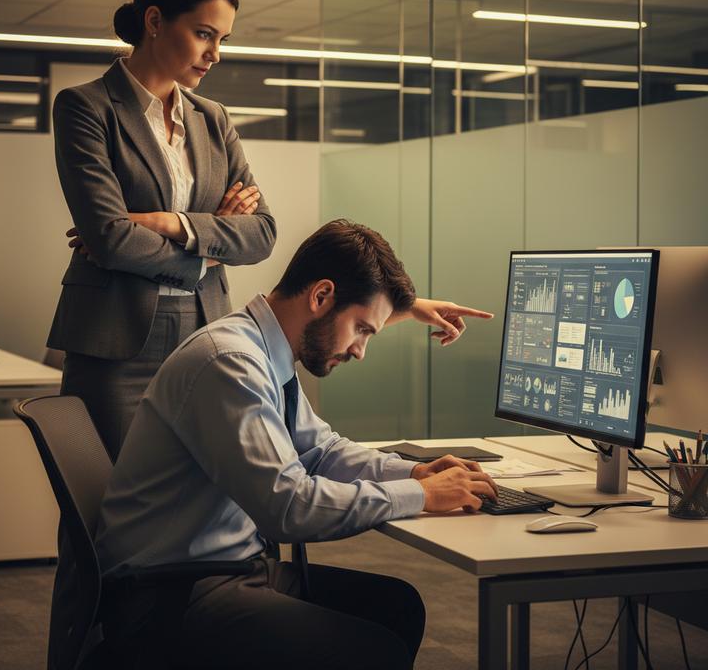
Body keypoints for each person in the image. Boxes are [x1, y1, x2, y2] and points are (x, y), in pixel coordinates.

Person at [95, 219, 496, 670]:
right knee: (373, 651)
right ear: (321, 296)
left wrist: (414, 472)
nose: (360, 350)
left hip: (228, 567)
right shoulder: (231, 362)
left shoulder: (266, 351)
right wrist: (419, 495)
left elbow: (319, 450)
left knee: (399, 607)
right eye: (361, 329)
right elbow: (287, 507)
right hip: (169, 594)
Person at [45, 0, 275, 670]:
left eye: (222, 40)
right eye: (205, 34)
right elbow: (109, 237)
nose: (215, 54)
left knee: (196, 519)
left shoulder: (214, 119)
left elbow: (262, 234)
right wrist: (209, 240)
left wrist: (174, 224)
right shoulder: (85, 107)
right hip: (117, 346)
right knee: (102, 531)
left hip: (204, 340)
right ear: (154, 21)